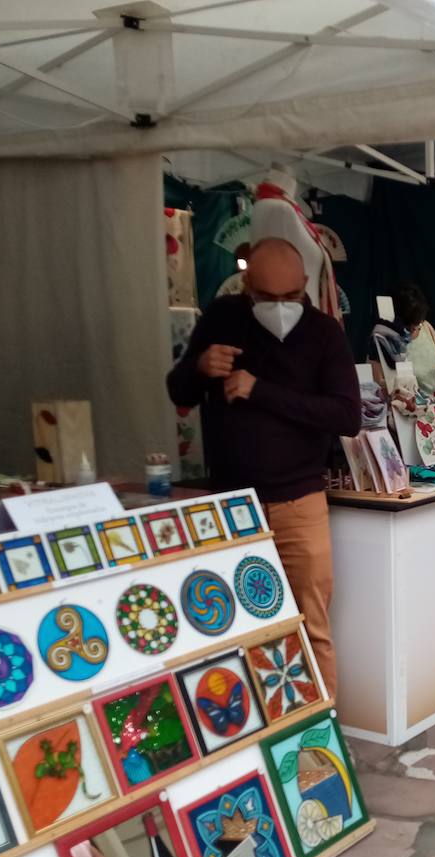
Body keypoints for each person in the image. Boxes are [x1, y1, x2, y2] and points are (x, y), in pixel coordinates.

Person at [167, 238, 360, 696]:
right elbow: (179, 392)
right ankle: (249, 738)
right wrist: (198, 368)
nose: (279, 308)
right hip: (230, 503)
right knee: (231, 628)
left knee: (310, 627)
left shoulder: (323, 332)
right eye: (266, 298)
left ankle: (321, 740)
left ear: (305, 288)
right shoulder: (221, 319)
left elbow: (345, 416)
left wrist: (260, 390)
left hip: (298, 503)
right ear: (246, 285)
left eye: (290, 298)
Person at [369, 283, 435, 393]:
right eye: (409, 326)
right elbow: (378, 383)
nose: (414, 328)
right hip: (407, 405)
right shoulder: (383, 339)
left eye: (418, 323)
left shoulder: (426, 327)